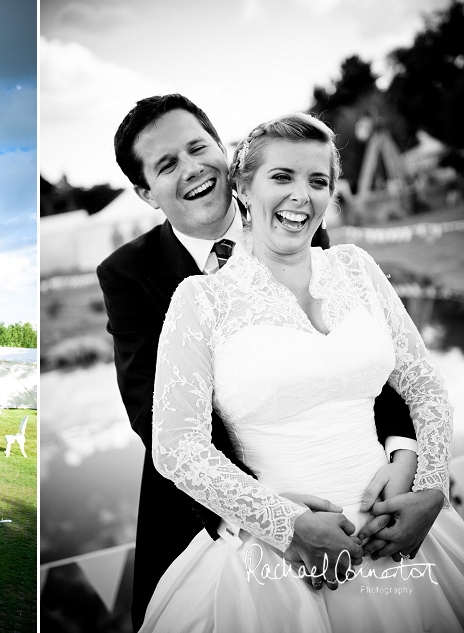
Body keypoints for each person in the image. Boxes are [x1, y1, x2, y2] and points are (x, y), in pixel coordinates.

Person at [97, 94, 425, 630]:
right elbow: (151, 412)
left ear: (225, 153)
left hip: (364, 496)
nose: (192, 168)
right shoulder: (128, 274)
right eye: (166, 164)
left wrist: (404, 446)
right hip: (223, 512)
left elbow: (354, 351)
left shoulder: (295, 216)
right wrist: (270, 514)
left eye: (198, 147)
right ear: (145, 193)